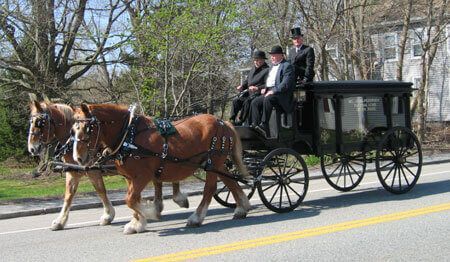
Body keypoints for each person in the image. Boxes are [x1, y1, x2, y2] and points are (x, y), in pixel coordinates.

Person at [250, 45, 295, 138]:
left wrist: (273, 91)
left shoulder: (287, 66)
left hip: (281, 95)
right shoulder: (271, 67)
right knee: (255, 102)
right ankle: (256, 125)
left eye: (274, 55)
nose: (272, 57)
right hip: (270, 92)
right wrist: (265, 89)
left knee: (268, 99)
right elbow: (270, 81)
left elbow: (285, 84)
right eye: (271, 55)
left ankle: (264, 124)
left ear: (281, 56)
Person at [230, 50, 269, 125]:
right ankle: (232, 120)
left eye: (258, 60)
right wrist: (242, 86)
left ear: (263, 60)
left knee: (247, 102)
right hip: (248, 93)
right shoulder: (252, 69)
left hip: (258, 94)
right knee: (236, 101)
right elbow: (247, 81)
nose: (256, 62)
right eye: (255, 60)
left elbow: (267, 84)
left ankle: (241, 120)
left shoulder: (267, 70)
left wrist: (257, 88)